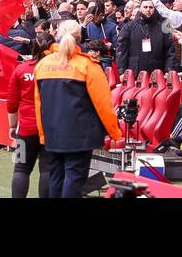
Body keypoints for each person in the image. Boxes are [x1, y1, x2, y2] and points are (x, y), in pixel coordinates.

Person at [33, 20, 123, 198]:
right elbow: (103, 103)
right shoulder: (88, 65)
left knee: (56, 176)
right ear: (80, 38)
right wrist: (115, 133)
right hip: (81, 134)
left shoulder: (43, 65)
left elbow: (39, 104)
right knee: (74, 177)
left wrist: (43, 133)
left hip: (53, 131)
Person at [7, 32, 54, 199]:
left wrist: (12, 126)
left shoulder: (21, 69)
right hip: (51, 128)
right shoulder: (57, 71)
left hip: (25, 128)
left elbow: (12, 103)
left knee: (20, 168)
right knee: (48, 169)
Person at [115, 0, 175, 74]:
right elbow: (121, 50)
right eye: (145, 7)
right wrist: (122, 72)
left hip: (157, 72)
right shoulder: (128, 27)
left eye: (151, 7)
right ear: (140, 9)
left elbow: (170, 51)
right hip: (135, 72)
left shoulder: (162, 27)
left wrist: (168, 70)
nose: (148, 10)